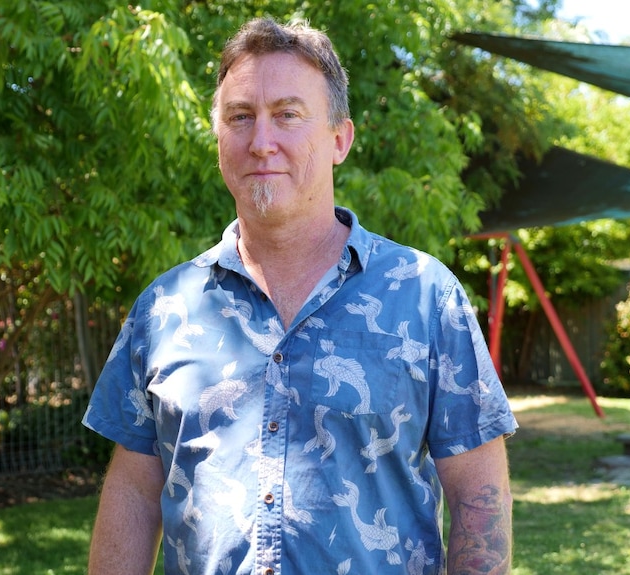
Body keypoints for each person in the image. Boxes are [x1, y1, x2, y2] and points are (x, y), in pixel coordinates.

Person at [83, 16, 517, 575]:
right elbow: (134, 493)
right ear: (219, 138)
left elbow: (479, 495)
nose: (262, 142)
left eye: (287, 115)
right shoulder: (164, 308)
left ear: (340, 139)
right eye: (241, 117)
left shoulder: (426, 295)